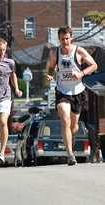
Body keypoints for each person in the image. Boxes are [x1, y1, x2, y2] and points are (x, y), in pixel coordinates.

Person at [45, 25, 97, 166]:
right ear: (59, 39)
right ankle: (70, 155)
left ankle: (71, 136)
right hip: (62, 91)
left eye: (67, 39)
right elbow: (50, 68)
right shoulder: (56, 53)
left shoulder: (79, 51)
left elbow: (93, 65)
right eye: (62, 39)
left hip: (78, 92)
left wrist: (81, 73)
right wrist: (50, 76)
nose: (65, 42)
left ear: (71, 37)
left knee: (73, 126)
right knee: (65, 120)